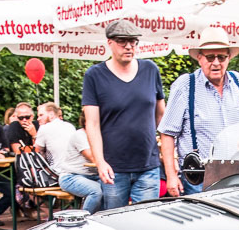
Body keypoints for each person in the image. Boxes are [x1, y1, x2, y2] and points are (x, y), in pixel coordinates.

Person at [159, 30, 239, 197]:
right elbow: (167, 133)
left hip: (237, 173)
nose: (216, 63)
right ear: (200, 58)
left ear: (229, 58)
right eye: (210, 57)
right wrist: (171, 175)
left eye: (221, 57)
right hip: (200, 177)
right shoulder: (185, 85)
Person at [82, 19, 165, 210]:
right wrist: (100, 162)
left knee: (146, 221)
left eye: (133, 41)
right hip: (114, 167)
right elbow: (92, 124)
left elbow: (162, 116)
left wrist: (166, 153)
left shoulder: (150, 70)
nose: (129, 46)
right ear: (109, 42)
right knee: (115, 222)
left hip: (148, 165)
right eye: (122, 41)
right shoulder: (94, 75)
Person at [55, 114, 102, 213]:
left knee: (114, 190)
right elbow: (93, 158)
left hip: (95, 176)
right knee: (96, 191)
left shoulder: (101, 135)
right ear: (86, 122)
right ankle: (85, 222)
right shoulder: (80, 135)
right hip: (71, 177)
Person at [34, 102, 74, 170]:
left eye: (41, 115)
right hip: (74, 169)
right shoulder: (70, 126)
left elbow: (36, 151)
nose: (38, 119)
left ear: (51, 114)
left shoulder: (44, 128)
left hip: (57, 172)